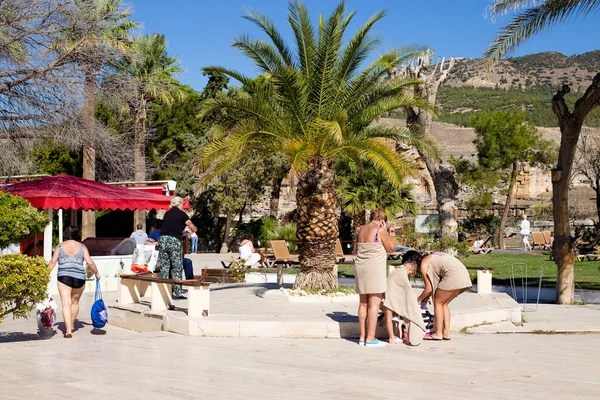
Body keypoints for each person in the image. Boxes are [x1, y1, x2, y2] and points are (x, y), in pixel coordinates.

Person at [403, 250, 472, 341]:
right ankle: (446, 333)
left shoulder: (424, 265)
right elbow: (432, 285)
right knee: (444, 304)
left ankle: (438, 333)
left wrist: (417, 300)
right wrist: (426, 296)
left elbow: (428, 289)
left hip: (453, 276)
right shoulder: (429, 257)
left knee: (438, 303)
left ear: (413, 262)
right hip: (463, 275)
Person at [48, 226, 100, 338]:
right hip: (79, 278)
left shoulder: (60, 246)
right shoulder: (82, 247)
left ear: (66, 234)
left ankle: (68, 331)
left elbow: (52, 262)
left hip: (64, 277)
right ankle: (71, 325)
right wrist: (96, 273)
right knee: (75, 302)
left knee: (66, 304)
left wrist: (43, 275)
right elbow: (90, 263)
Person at [354, 209, 395, 346]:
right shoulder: (380, 230)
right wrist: (387, 232)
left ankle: (362, 337)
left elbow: (355, 251)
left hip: (361, 268)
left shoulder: (360, 230)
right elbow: (391, 248)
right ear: (383, 220)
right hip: (374, 269)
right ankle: (370, 338)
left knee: (363, 303)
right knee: (374, 304)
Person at [158, 197, 197, 300]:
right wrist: (194, 229)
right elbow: (192, 227)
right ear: (181, 204)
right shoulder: (182, 214)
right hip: (174, 241)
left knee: (165, 266)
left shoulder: (167, 213)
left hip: (162, 239)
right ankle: (178, 292)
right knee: (177, 266)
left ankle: (165, 291)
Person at [382, 262, 426, 345]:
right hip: (392, 298)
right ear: (409, 269)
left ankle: (391, 337)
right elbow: (407, 289)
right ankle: (392, 337)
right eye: (410, 273)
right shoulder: (402, 273)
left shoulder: (395, 271)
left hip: (387, 296)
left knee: (388, 317)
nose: (408, 275)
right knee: (390, 317)